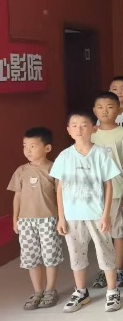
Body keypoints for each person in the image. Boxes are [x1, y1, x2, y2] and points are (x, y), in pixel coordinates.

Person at [51, 111, 122, 312]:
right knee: (76, 254)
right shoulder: (64, 156)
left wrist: (106, 214)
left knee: (105, 252)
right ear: (68, 130)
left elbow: (109, 185)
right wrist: (61, 217)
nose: (79, 129)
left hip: (97, 214)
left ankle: (112, 291)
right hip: (72, 216)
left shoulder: (101, 154)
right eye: (74, 125)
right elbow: (59, 188)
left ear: (94, 128)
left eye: (84, 125)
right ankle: (81, 292)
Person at [8, 127, 63, 310]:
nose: (28, 150)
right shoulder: (21, 170)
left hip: (48, 219)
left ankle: (50, 290)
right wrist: (15, 219)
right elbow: (17, 196)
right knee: (31, 257)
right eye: (25, 146)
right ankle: (37, 291)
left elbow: (60, 196)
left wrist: (61, 219)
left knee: (50, 255)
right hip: (26, 222)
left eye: (33, 146)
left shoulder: (54, 169)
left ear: (47, 148)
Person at [91, 92, 123, 290]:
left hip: (119, 190)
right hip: (95, 193)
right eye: (100, 107)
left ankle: (118, 268)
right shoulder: (90, 134)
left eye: (110, 107)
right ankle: (104, 269)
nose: (105, 111)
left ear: (119, 110)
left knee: (119, 231)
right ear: (94, 111)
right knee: (101, 234)